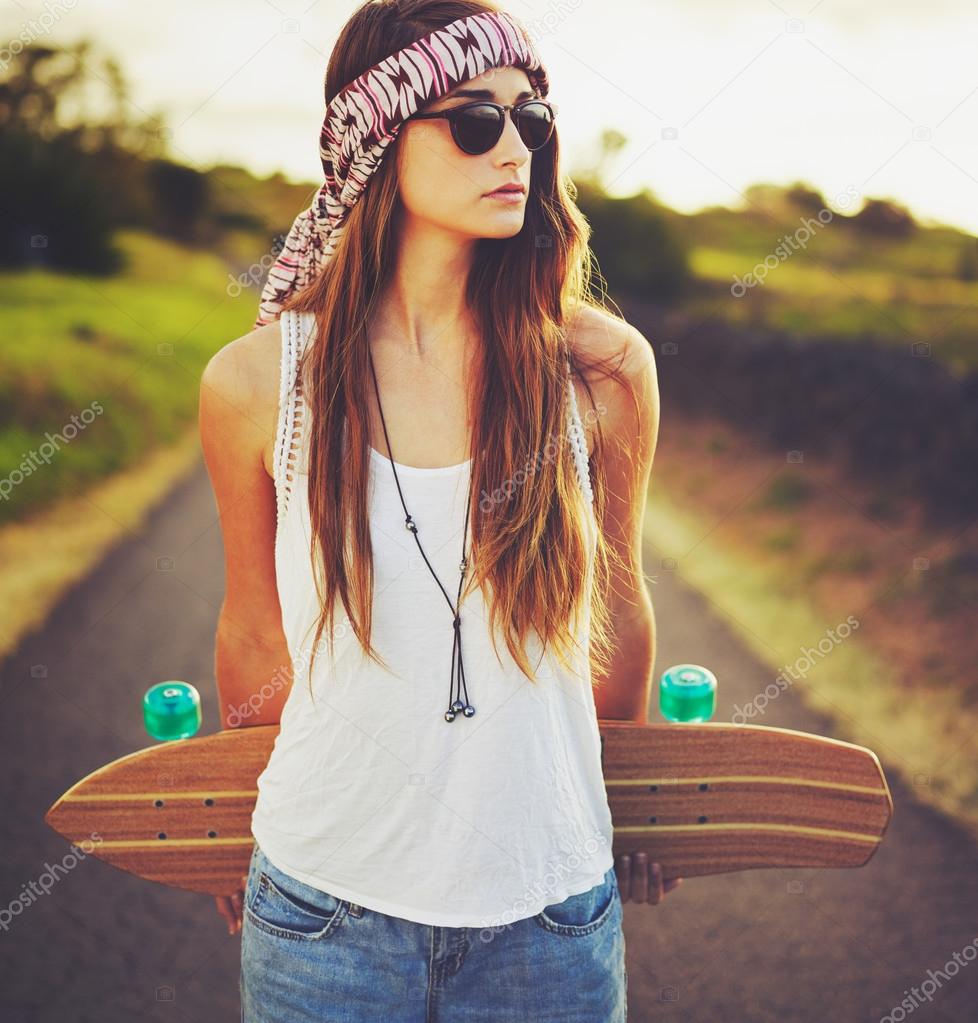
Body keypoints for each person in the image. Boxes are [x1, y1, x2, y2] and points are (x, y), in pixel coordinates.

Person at [198, 1, 679, 1019]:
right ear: (375, 140)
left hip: (549, 917)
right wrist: (215, 819)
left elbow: (619, 611)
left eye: (532, 120)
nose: (515, 148)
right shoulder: (255, 383)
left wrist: (635, 796)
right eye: (473, 121)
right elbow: (253, 629)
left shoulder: (600, 373)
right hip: (321, 914)